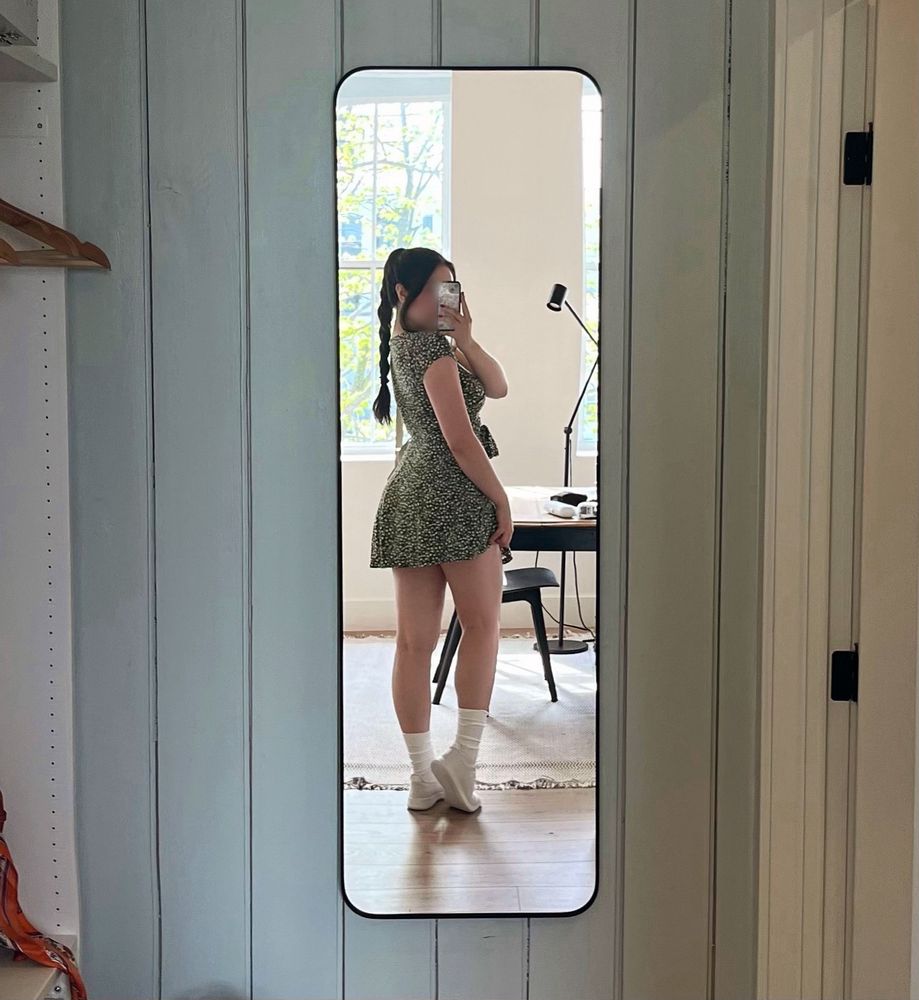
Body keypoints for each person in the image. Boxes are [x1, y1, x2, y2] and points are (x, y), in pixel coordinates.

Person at [369, 246, 513, 814]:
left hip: (410, 491)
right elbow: (460, 440)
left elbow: (497, 386)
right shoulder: (433, 351)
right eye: (433, 288)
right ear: (403, 293)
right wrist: (500, 499)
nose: (444, 299)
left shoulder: (410, 346)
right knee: (483, 626)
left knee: (413, 642)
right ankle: (463, 762)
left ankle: (421, 777)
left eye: (450, 287)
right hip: (452, 492)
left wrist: (467, 338)